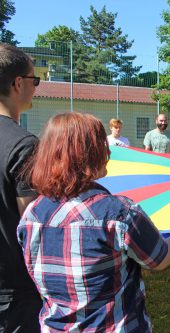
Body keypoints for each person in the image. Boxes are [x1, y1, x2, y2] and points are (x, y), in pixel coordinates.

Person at [17, 112, 170, 332]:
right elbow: (160, 257)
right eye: (100, 144)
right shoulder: (118, 213)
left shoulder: (31, 216)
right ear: (88, 154)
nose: (107, 151)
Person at [0, 43, 42, 333]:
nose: (36, 87)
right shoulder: (24, 145)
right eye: (34, 80)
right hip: (14, 291)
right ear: (18, 83)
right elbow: (34, 224)